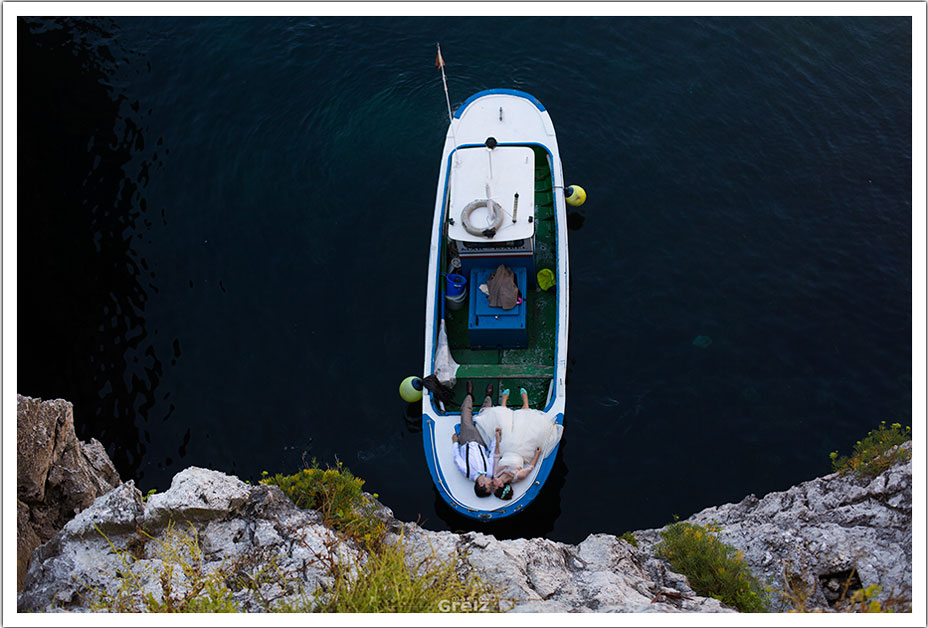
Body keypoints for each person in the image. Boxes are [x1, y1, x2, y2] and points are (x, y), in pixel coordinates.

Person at [474, 388, 564, 500]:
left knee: (502, 424)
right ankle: (525, 402)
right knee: (526, 425)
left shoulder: (496, 474)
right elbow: (531, 467)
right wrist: (536, 454)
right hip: (522, 448)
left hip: (505, 446)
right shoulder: (517, 476)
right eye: (495, 487)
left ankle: (504, 403)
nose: (493, 485)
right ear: (501, 485)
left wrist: (497, 440)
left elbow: (496, 456)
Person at [451, 380, 497, 497]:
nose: (490, 484)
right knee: (486, 416)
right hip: (482, 442)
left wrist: (456, 443)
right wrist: (496, 439)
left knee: (465, 416)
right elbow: (491, 455)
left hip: (467, 440)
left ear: (481, 484)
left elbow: (457, 458)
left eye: (488, 486)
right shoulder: (490, 472)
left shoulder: (467, 472)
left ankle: (469, 394)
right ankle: (488, 396)